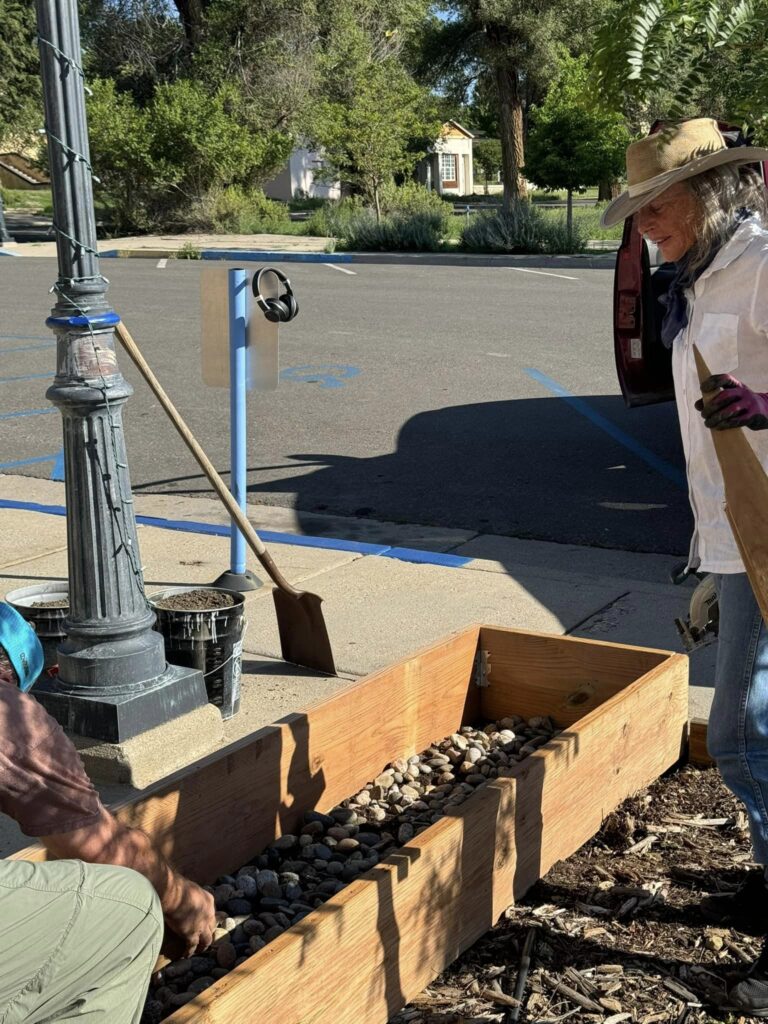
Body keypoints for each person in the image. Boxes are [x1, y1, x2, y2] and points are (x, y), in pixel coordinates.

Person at [602, 117, 768, 1013]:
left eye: (656, 204)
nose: (644, 225)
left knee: (740, 735)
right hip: (737, 538)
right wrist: (707, 557)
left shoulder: (762, 264)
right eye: (635, 211)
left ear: (707, 192)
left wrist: (767, 403)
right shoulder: (700, 278)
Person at [0, 602, 216, 1024]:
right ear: (10, 676)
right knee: (131, 909)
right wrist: (182, 898)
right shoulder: (10, 713)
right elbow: (103, 848)